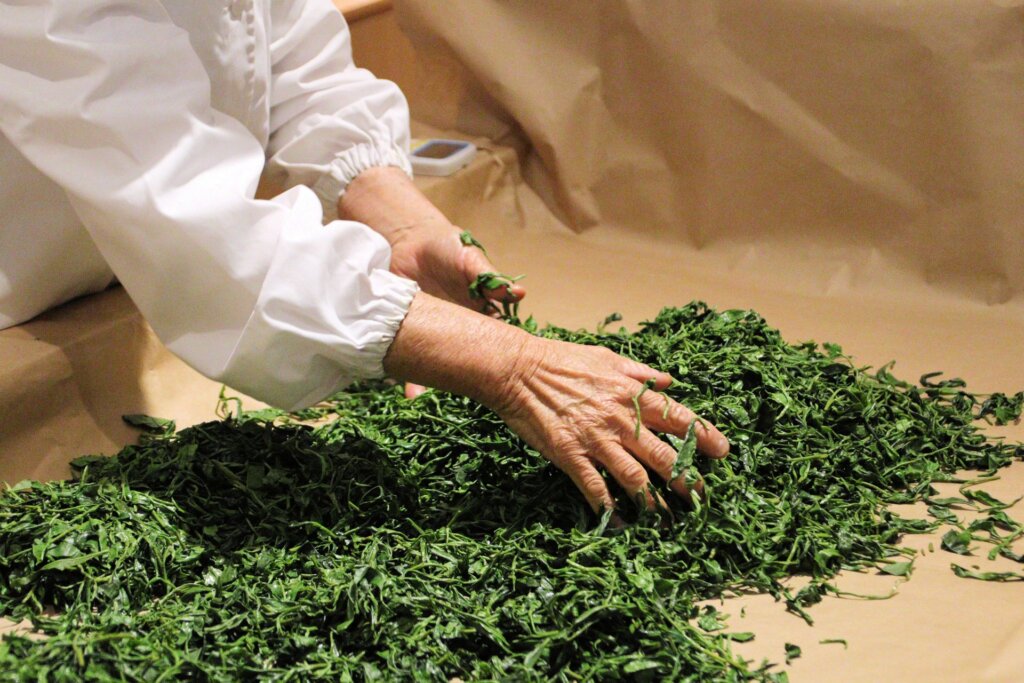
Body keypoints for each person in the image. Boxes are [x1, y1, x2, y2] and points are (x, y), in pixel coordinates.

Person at [0, 0, 728, 513]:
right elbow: (192, 219)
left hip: (115, 274)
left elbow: (279, 51)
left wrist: (398, 217)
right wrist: (513, 367)